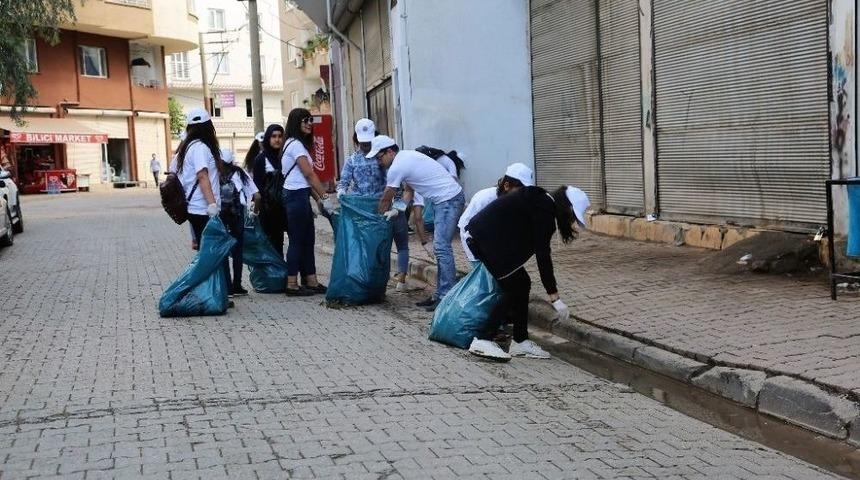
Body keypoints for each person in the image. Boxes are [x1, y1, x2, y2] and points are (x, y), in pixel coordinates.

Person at [465, 185, 590, 361]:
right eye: (572, 215)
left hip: (484, 236)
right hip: (486, 240)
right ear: (567, 206)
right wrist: (554, 297)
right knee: (514, 288)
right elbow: (543, 256)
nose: (571, 221)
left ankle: (520, 341)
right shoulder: (544, 211)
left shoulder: (541, 199)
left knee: (522, 284)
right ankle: (483, 339)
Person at [370, 135, 465, 311]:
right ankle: (440, 294)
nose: (379, 162)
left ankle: (446, 296)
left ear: (390, 152)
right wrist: (397, 210)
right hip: (445, 200)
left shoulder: (397, 166)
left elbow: (386, 197)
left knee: (442, 247)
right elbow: (408, 191)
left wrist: (379, 217)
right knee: (440, 247)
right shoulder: (406, 157)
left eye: (379, 157)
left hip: (449, 200)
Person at [337, 119, 414, 292]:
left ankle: (401, 278)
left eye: (368, 142)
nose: (365, 145)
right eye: (362, 142)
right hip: (366, 211)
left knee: (401, 241)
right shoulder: (352, 161)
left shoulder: (386, 156)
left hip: (393, 203)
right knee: (374, 246)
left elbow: (401, 185)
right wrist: (341, 194)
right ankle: (373, 278)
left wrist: (398, 206)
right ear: (356, 139)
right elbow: (343, 183)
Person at [281, 108, 332, 296]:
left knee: (308, 239)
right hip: (295, 197)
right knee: (297, 241)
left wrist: (318, 200)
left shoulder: (298, 145)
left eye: (311, 119)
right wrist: (326, 198)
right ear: (296, 122)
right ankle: (292, 283)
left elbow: (306, 181)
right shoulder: (294, 145)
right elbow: (309, 175)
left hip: (300, 195)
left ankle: (311, 280)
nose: (310, 123)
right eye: (305, 120)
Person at [458, 163, 534, 264]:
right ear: (507, 186)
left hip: (495, 245)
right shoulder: (484, 198)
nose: (524, 194)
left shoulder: (514, 201)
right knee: (485, 276)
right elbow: (465, 225)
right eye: (521, 190)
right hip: (474, 241)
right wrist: (475, 254)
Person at [169, 107, 224, 247]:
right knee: (211, 256)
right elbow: (202, 176)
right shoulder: (201, 147)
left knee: (206, 254)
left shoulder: (187, 147)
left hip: (194, 208)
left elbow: (172, 170)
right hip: (203, 209)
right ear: (208, 127)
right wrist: (212, 205)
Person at [219, 148, 260, 297]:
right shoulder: (241, 174)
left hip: (221, 216)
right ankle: (237, 285)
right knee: (238, 251)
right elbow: (257, 196)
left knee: (223, 250)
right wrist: (254, 212)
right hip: (238, 215)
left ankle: (227, 287)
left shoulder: (215, 174)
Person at [252, 125, 286, 256]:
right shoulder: (261, 160)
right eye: (274, 136)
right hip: (267, 212)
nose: (277, 140)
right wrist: (256, 211)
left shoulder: (286, 157)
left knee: (279, 245)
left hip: (284, 210)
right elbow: (257, 188)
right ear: (268, 138)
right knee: (269, 248)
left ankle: (283, 275)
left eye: (280, 136)